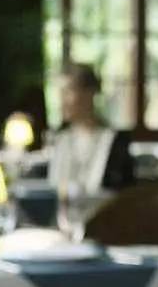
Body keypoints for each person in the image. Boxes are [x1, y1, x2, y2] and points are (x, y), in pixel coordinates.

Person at [48, 63, 135, 193]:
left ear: (90, 93)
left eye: (68, 91)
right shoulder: (62, 139)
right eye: (60, 93)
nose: (62, 100)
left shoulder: (113, 141)